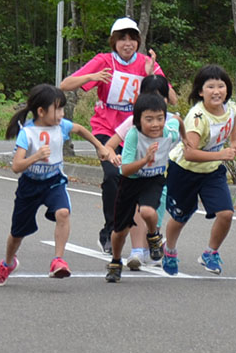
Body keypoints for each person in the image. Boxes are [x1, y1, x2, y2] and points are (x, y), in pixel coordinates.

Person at [60, 17, 175, 255]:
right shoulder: (103, 61)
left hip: (136, 132)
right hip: (105, 129)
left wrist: (153, 75)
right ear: (114, 41)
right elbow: (65, 84)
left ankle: (141, 235)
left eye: (132, 38)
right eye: (122, 38)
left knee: (135, 181)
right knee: (113, 176)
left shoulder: (146, 62)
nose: (127, 43)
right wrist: (91, 78)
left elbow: (172, 99)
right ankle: (110, 229)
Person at [0, 84, 110, 287]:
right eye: (58, 109)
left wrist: (100, 147)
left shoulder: (60, 126)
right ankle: (7, 263)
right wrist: (35, 156)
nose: (61, 114)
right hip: (29, 185)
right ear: (41, 111)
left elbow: (80, 129)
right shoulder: (27, 133)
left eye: (62, 109)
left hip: (54, 182)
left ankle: (58, 260)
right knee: (17, 233)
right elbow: (17, 166)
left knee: (63, 212)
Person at [162, 65, 236, 276]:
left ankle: (210, 253)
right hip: (184, 170)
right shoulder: (197, 117)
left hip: (212, 171)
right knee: (181, 216)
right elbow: (190, 154)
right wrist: (221, 154)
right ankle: (169, 250)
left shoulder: (231, 107)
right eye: (210, 87)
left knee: (226, 213)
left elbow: (231, 121)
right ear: (200, 91)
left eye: (221, 86)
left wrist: (234, 142)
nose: (216, 91)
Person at [101, 74, 182, 269]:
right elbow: (109, 146)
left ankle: (151, 247)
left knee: (153, 211)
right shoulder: (134, 124)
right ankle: (137, 250)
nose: (154, 101)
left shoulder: (168, 122)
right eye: (149, 95)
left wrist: (186, 142)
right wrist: (114, 157)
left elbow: (180, 124)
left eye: (160, 96)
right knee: (136, 211)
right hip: (135, 174)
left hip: (160, 175)